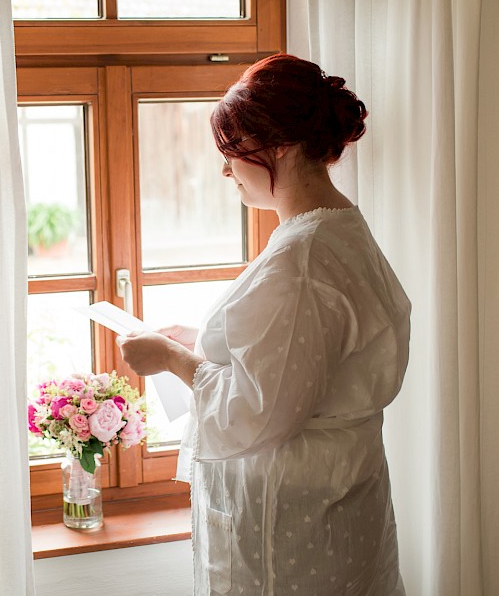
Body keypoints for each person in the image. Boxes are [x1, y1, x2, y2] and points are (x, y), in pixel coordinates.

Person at [117, 54, 410, 595]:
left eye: (231, 154)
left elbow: (259, 410)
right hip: (335, 502)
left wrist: (170, 359)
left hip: (292, 530)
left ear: (277, 147)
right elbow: (293, 365)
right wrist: (201, 345)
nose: (226, 171)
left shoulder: (301, 258)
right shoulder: (342, 232)